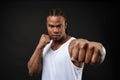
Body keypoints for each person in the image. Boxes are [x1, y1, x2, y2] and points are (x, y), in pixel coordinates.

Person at [27, 8, 106, 80]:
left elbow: (84, 45)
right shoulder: (45, 44)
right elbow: (32, 72)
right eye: (51, 26)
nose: (55, 30)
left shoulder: (72, 44)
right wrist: (39, 47)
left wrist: (100, 50)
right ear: (46, 26)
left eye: (59, 26)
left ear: (65, 25)